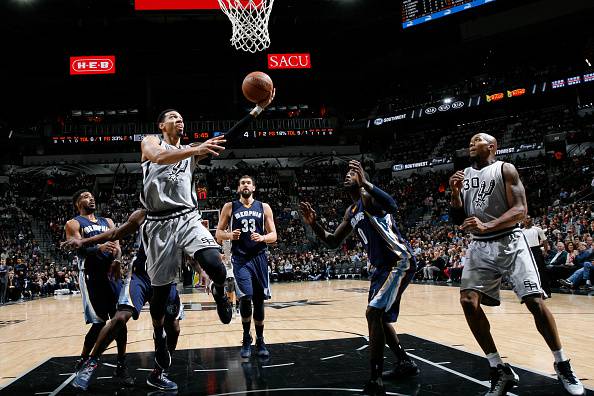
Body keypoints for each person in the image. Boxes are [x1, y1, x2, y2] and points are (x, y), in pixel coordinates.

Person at [140, 98, 273, 390]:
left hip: (187, 217)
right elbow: (158, 157)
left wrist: (257, 110)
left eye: (181, 117)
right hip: (158, 223)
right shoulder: (151, 142)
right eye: (173, 116)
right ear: (162, 125)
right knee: (160, 297)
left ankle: (218, 291)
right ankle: (158, 337)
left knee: (215, 264)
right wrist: (196, 149)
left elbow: (228, 138)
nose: (179, 120)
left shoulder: (192, 153)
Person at [449, 133, 584, 396]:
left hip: (510, 241)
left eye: (476, 140)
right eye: (469, 141)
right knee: (467, 301)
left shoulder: (505, 169)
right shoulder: (462, 175)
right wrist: (455, 193)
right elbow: (457, 217)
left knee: (534, 302)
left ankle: (562, 363)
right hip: (479, 245)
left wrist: (488, 223)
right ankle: (498, 368)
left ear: (491, 146)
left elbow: (520, 210)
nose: (470, 144)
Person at [300, 160, 418, 396]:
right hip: (380, 268)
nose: (347, 176)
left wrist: (366, 183)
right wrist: (314, 225)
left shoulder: (370, 199)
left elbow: (392, 205)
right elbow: (333, 241)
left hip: (398, 261)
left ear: (362, 178)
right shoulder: (351, 210)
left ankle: (376, 379)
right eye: (347, 174)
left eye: (352, 173)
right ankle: (404, 362)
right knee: (380, 319)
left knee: (373, 313)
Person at [62, 209, 183, 391]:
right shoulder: (143, 214)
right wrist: (83, 242)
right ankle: (90, 364)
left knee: (173, 327)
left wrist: (205, 271)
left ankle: (158, 373)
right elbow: (114, 233)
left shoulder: (184, 217)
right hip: (140, 277)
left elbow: (192, 252)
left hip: (167, 280)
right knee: (118, 318)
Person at [63, 190, 132, 385]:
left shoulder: (108, 221)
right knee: (99, 323)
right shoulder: (74, 223)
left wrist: (117, 260)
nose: (91, 198)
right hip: (92, 276)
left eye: (92, 196)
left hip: (112, 274)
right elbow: (77, 247)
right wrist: (98, 248)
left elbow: (118, 245)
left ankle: (121, 365)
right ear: (78, 203)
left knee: (120, 320)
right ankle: (84, 360)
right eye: (85, 196)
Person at [215, 175, 277, 359]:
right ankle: (246, 337)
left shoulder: (264, 207)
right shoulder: (230, 206)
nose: (245, 185)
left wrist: (263, 238)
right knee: (245, 298)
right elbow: (218, 233)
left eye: (248, 183)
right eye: (242, 183)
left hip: (259, 258)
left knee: (259, 301)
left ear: (254, 188)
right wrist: (229, 236)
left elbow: (274, 235)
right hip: (241, 260)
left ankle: (260, 339)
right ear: (238, 189)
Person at [522, 215, 551, 296]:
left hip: (536, 250)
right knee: (528, 273)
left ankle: (546, 291)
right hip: (526, 251)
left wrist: (545, 251)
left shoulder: (537, 229)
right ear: (523, 221)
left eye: (528, 218)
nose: (527, 220)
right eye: (525, 218)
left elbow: (544, 240)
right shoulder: (521, 231)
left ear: (531, 220)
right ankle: (532, 292)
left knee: (541, 271)